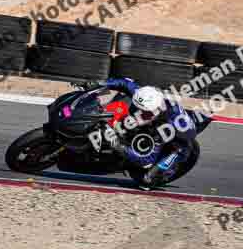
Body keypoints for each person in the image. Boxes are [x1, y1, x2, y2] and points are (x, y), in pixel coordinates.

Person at [82, 77, 212, 189]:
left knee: (146, 181)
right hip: (162, 120)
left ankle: (160, 175)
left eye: (145, 114)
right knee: (123, 98)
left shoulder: (165, 129)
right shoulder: (147, 96)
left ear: (156, 111)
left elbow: (145, 159)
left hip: (180, 144)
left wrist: (117, 145)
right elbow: (124, 83)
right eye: (139, 110)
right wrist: (100, 83)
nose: (139, 115)